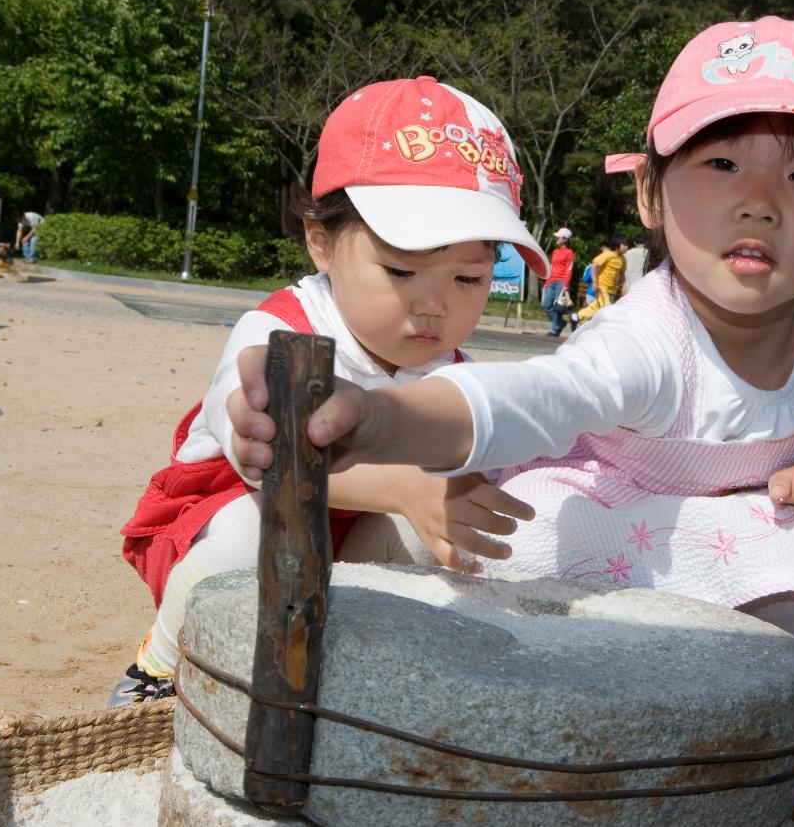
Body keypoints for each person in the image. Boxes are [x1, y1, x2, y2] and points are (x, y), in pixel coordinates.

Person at [230, 17, 794, 754]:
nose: (759, 201)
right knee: (435, 538)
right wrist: (379, 417)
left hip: (746, 547)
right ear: (650, 193)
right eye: (721, 164)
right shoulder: (650, 337)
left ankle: (749, 757)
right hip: (603, 533)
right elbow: (535, 396)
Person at [111, 77, 546, 705]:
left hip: (357, 535)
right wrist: (403, 486)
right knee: (243, 532)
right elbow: (267, 460)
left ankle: (354, 678)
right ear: (321, 241)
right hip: (238, 507)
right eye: (400, 270)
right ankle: (160, 666)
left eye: (469, 277)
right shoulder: (281, 330)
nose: (434, 305)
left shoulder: (456, 373)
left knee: (439, 534)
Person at [569, 235, 627, 326]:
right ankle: (606, 327)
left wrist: (624, 286)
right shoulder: (608, 255)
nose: (627, 247)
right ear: (617, 245)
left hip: (612, 289)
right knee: (607, 307)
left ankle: (576, 316)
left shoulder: (623, 259)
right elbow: (594, 264)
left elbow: (622, 273)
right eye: (624, 245)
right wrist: (595, 281)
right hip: (602, 286)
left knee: (597, 306)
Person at [542, 226, 575, 336]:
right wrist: (547, 282)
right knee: (545, 305)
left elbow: (569, 269)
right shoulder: (555, 251)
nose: (557, 239)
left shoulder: (569, 252)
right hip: (552, 282)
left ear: (565, 239)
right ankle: (560, 323)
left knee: (557, 308)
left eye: (559, 238)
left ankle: (554, 330)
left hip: (561, 282)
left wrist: (565, 285)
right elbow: (551, 267)